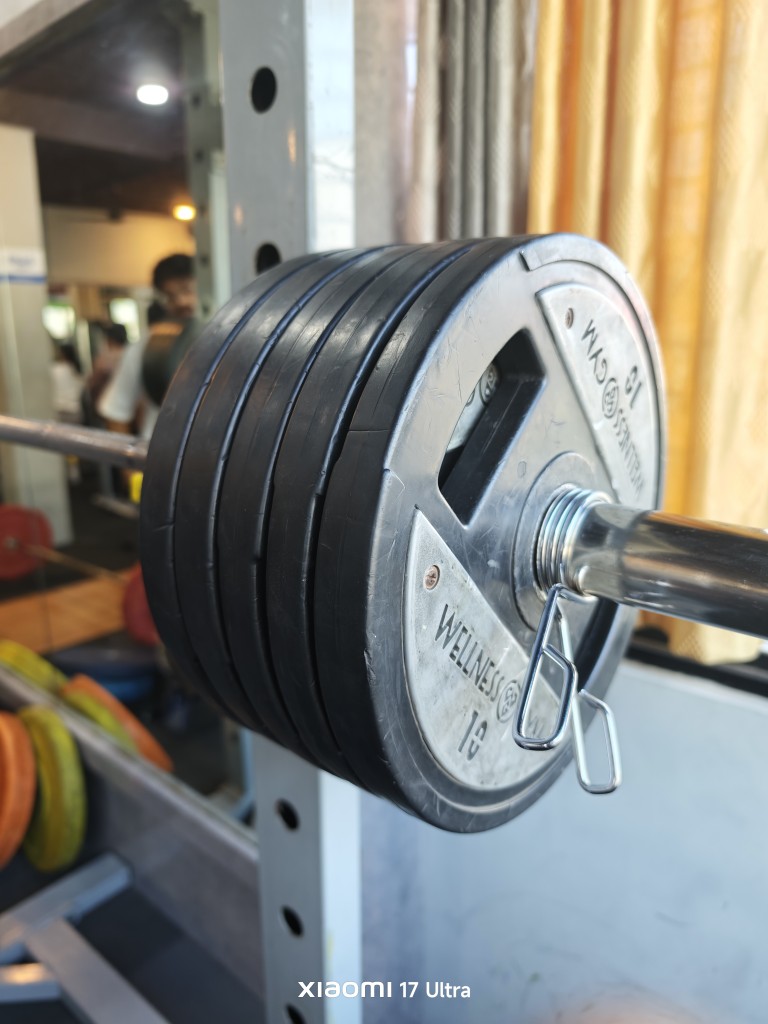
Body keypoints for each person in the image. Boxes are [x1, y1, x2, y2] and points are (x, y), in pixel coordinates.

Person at [98, 254, 197, 439]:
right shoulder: (146, 345)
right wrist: (131, 459)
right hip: (158, 451)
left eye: (187, 290)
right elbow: (116, 412)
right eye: (171, 296)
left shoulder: (230, 339)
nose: (181, 302)